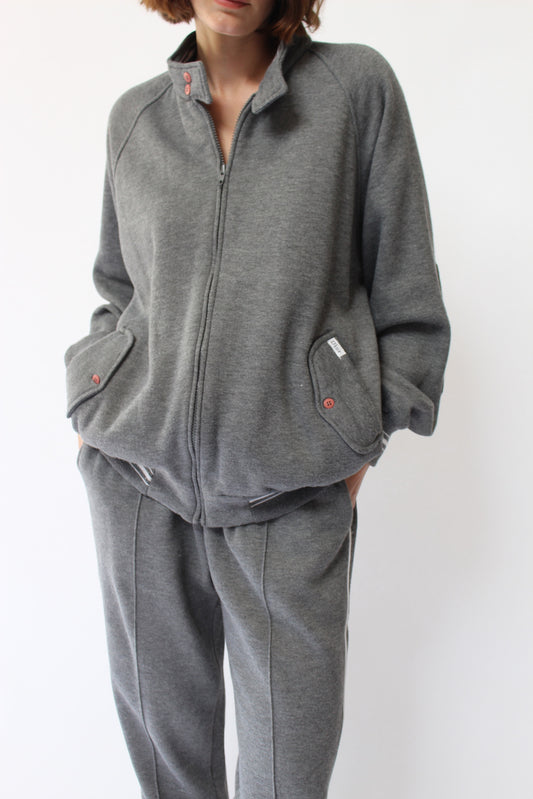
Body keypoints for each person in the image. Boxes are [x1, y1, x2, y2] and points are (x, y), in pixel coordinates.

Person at [64, 1, 451, 797]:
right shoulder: (135, 119)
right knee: (170, 775)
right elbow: (119, 289)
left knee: (287, 776)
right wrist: (96, 409)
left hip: (292, 497)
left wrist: (349, 450)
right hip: (139, 490)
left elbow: (407, 298)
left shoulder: (354, 91)